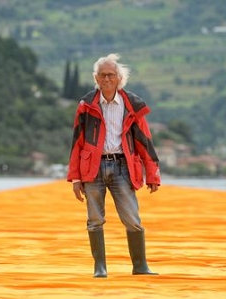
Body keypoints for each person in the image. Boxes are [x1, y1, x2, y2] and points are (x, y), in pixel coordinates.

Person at [67, 53, 161, 278]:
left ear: (119, 78)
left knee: (132, 219)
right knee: (94, 220)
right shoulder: (86, 106)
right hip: (92, 168)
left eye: (111, 75)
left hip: (123, 167)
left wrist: (153, 174)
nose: (107, 79)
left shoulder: (132, 106)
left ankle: (140, 266)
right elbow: (77, 142)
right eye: (102, 75)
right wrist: (76, 178)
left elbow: (144, 141)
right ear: (96, 79)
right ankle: (100, 268)